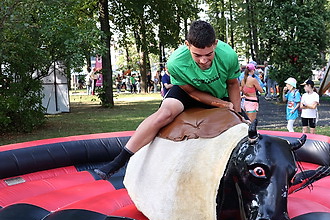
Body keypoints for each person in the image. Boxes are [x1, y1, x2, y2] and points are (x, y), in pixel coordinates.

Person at [94, 20, 242, 179]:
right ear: (187, 45)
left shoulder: (228, 55)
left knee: (239, 124)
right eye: (197, 55)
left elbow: (233, 83)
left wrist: (238, 114)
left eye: (209, 54)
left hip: (218, 92)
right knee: (164, 114)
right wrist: (221, 104)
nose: (204, 61)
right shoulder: (176, 62)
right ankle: (119, 161)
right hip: (190, 92)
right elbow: (191, 92)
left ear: (215, 44)